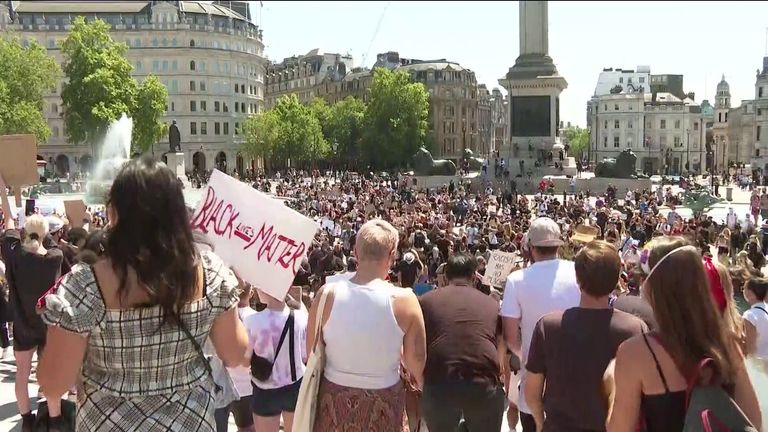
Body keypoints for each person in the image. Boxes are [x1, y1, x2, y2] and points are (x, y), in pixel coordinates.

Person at [36, 157, 250, 431]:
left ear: (114, 213)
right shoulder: (210, 274)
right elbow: (235, 354)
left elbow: (53, 382)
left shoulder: (85, 285)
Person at [608, 237, 762, 431]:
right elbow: (754, 422)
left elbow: (619, 428)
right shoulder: (726, 342)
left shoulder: (635, 353)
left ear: (652, 287)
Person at [307, 219, 426, 432]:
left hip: (333, 403)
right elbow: (416, 361)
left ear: (355, 251)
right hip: (384, 401)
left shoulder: (326, 295)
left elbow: (311, 352)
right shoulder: (405, 300)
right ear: (392, 255)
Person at [525, 241, 647, 432]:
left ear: (578, 279)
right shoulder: (634, 329)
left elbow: (532, 392)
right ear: (617, 280)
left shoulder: (548, 326)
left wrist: (541, 424)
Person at [500, 217, 580, 432]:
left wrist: (528, 355)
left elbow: (510, 335)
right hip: (573, 374)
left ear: (530, 247)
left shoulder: (516, 280)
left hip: (533, 375)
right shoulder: (578, 272)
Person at [0, 176, 64, 431]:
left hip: (22, 324)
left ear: (25, 233)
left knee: (23, 374)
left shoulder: (14, 254)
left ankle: (27, 420)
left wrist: (5, 193)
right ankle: (55, 418)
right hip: (48, 325)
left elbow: (10, 224)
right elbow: (48, 241)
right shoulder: (55, 257)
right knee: (50, 375)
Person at [419, 253, 505, 432]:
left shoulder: (426, 301)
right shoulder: (491, 304)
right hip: (484, 383)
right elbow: (501, 343)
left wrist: (421, 381)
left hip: (439, 383)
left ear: (446, 276)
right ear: (474, 277)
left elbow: (417, 344)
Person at [244, 287, 308, 432]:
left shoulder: (252, 321)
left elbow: (244, 359)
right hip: (295, 384)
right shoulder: (301, 317)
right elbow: (305, 355)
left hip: (264, 388)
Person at [743, 277, 768, 372]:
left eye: (744, 289)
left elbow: (751, 348)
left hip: (760, 365)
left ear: (750, 293)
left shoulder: (750, 315)